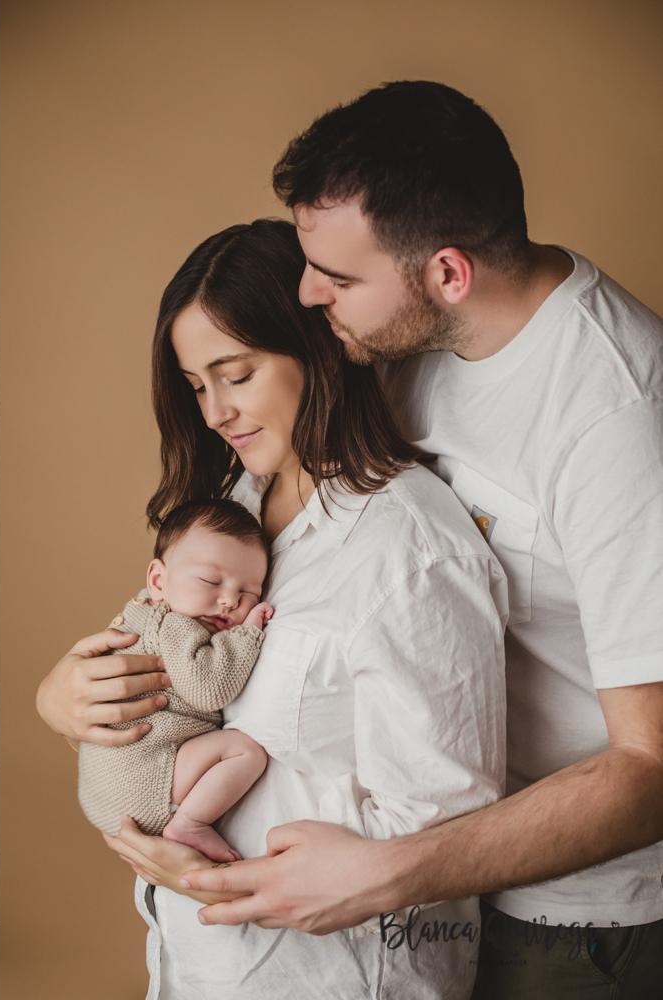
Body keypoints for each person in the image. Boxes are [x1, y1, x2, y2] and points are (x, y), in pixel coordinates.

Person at [155, 82, 663, 999]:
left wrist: (382, 874)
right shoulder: (392, 344)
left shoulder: (617, 419)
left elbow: (652, 767)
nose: (309, 294)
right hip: (438, 879)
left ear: (448, 272)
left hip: (583, 922)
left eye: (338, 279)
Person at [37, 218, 509, 998]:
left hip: (333, 975)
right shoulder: (237, 507)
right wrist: (67, 702)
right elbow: (176, 691)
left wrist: (229, 876)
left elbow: (445, 826)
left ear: (316, 348)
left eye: (236, 374)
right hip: (198, 965)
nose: (214, 412)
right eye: (197, 385)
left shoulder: (409, 550)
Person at [76, 498, 273, 863]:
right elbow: (210, 689)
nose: (230, 600)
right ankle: (190, 823)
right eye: (210, 580)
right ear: (158, 581)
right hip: (144, 781)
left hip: (107, 791)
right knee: (246, 750)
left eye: (250, 593)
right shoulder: (174, 625)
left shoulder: (142, 614)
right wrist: (246, 634)